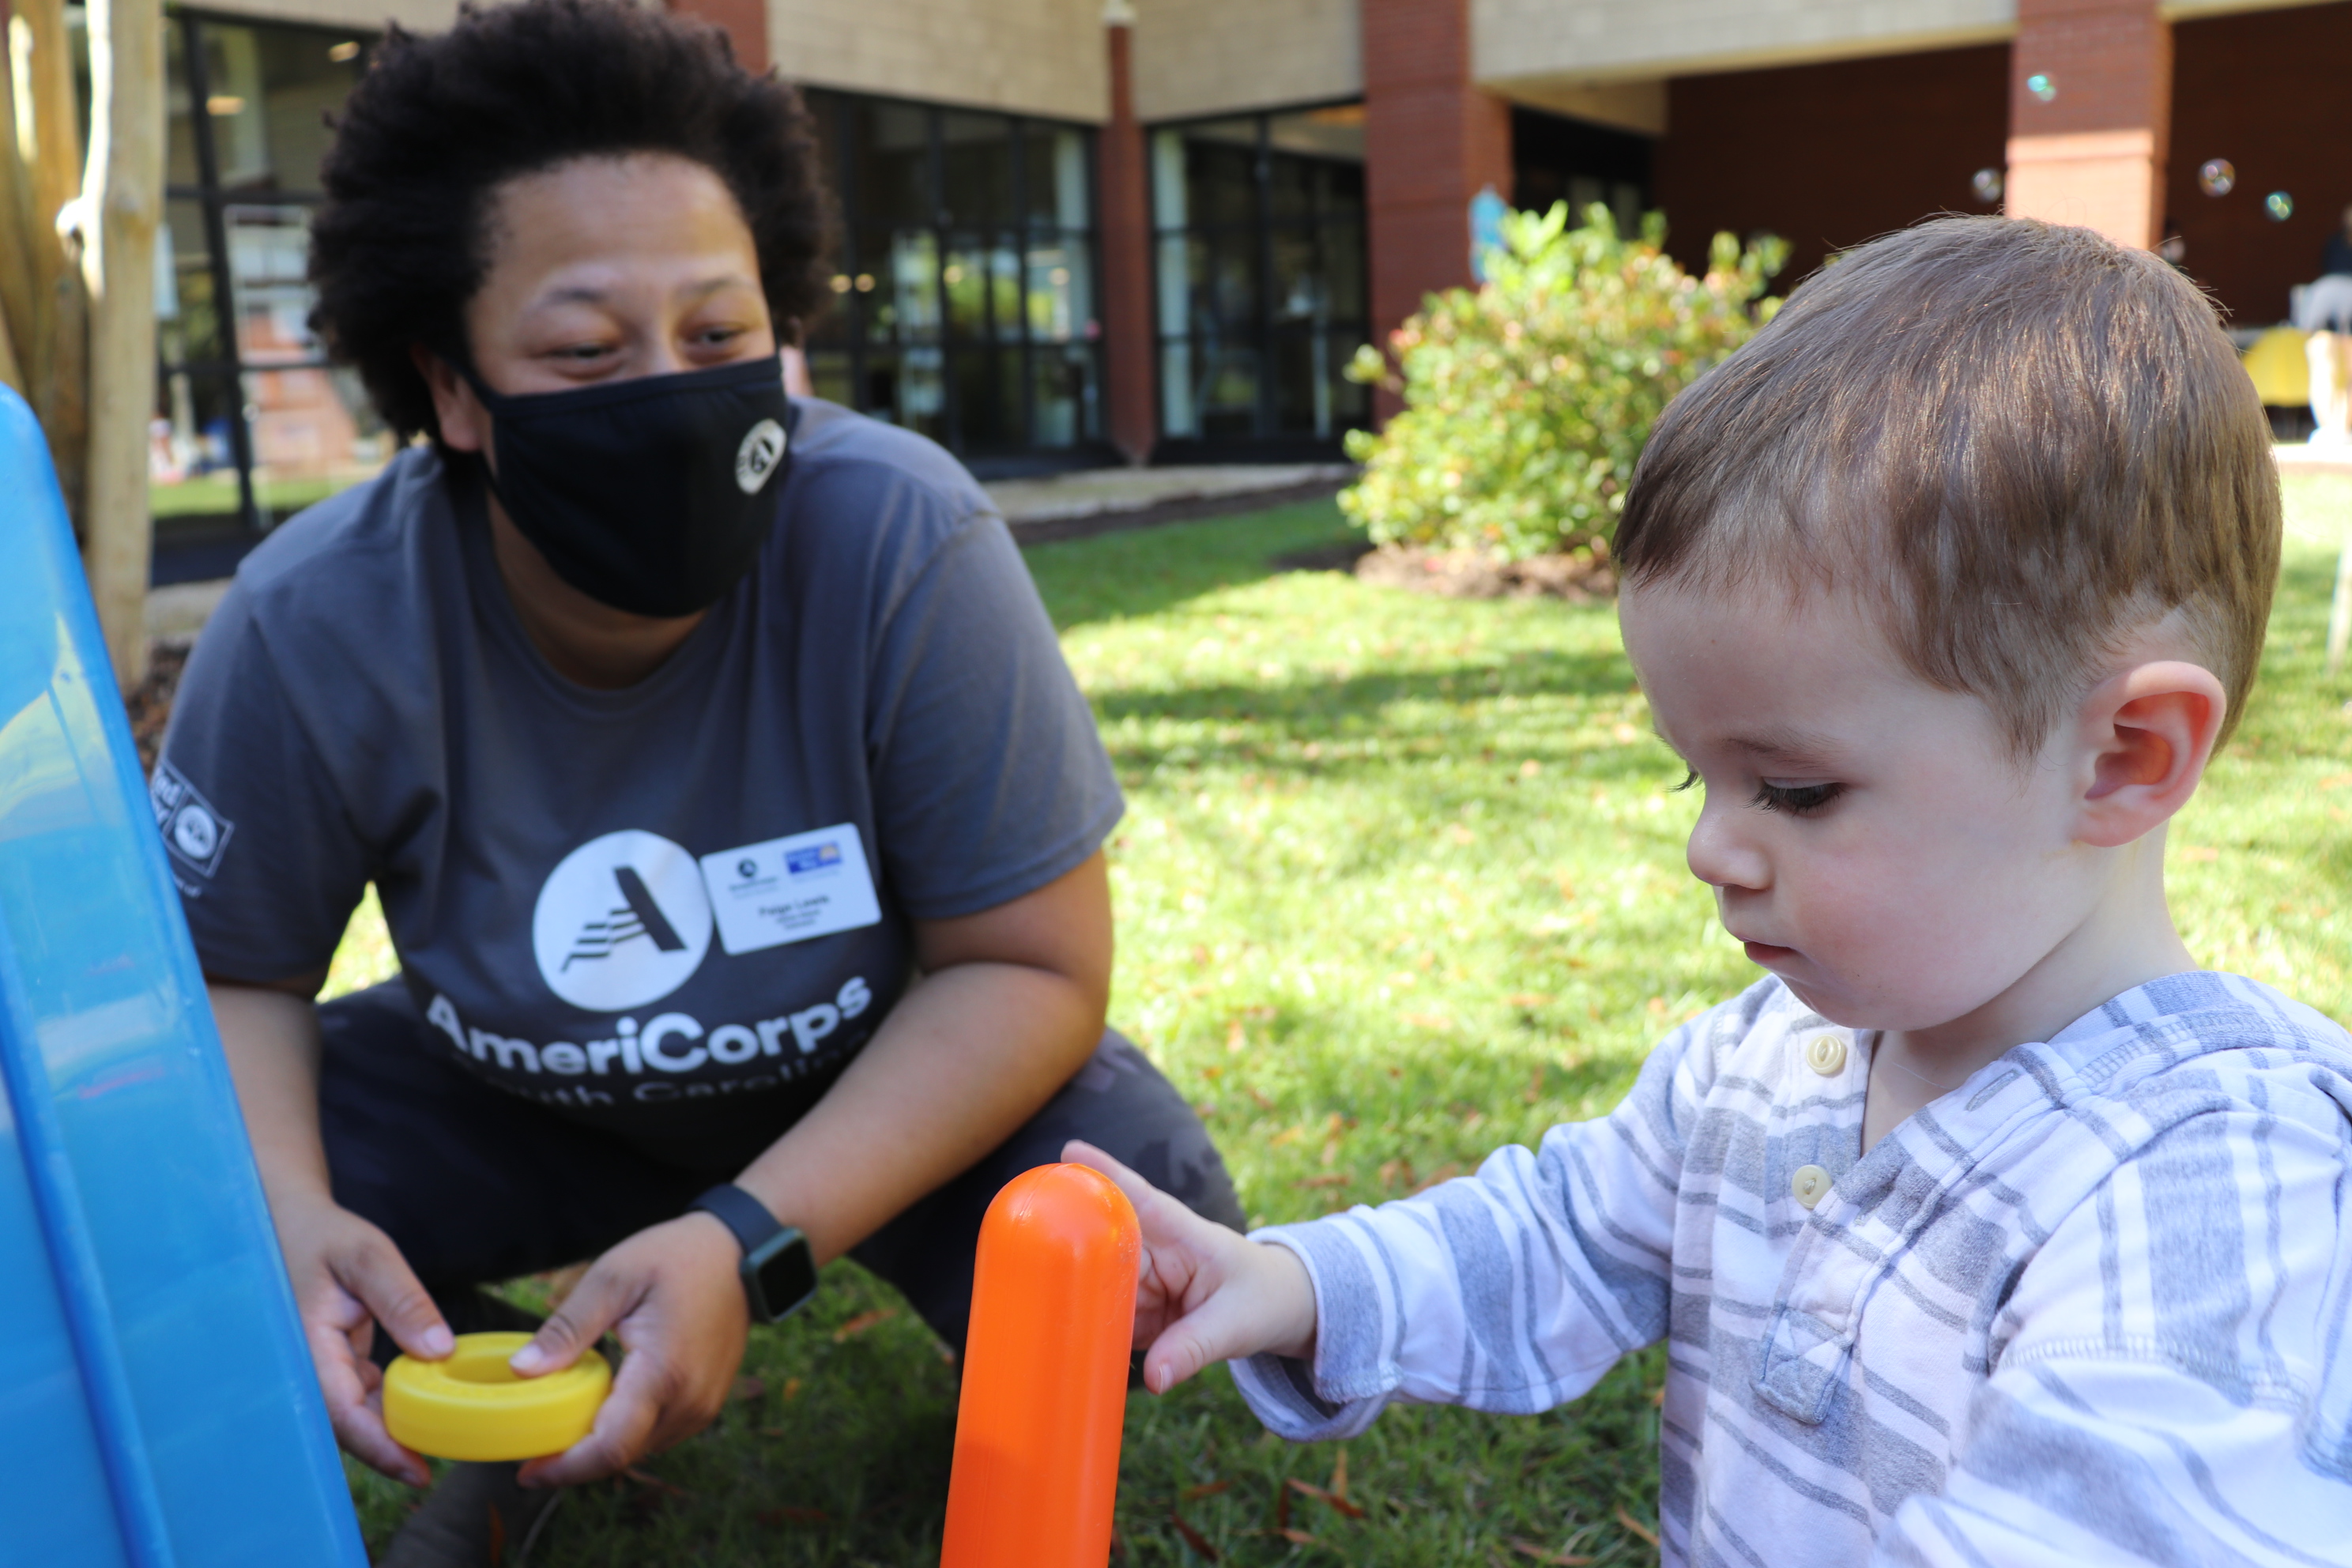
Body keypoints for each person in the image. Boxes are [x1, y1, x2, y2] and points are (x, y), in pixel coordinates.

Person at [1069, 217, 2352, 1565]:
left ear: (2123, 758)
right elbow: (1553, 1233)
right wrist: (1291, 1283)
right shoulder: (1765, 1068)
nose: (1711, 853)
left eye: (1793, 791)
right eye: (1698, 782)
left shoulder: (2210, 1191)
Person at [154, 0, 1242, 1557]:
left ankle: (993, 1433)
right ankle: (475, 1402)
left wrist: (749, 1241)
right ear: (452, 386)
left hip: (861, 1067)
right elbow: (236, 974)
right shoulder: (315, 609)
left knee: (1148, 1239)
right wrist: (286, 1216)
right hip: (504, 1079)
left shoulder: (898, 536)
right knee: (162, 1187)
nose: (670, 391)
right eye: (586, 350)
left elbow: (1032, 962)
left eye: (720, 338)